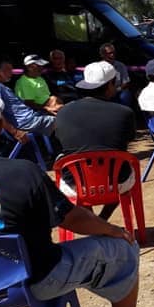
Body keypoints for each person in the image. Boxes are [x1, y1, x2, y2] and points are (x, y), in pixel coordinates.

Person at [0, 89, 154, 307]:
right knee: (124, 248)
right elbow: (71, 218)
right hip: (31, 285)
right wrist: (112, 230)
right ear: (0, 126)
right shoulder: (23, 172)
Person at [56, 61, 137, 220]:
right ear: (110, 85)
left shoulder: (63, 112)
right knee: (121, 166)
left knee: (73, 163)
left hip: (75, 183)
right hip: (116, 181)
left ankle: (94, 222)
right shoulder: (124, 112)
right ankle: (102, 219)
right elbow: (127, 140)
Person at [0, 60, 57, 136]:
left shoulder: (2, 87)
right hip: (26, 122)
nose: (11, 72)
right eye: (7, 69)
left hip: (32, 117)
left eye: (11, 69)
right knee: (64, 121)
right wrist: (14, 132)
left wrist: (46, 109)